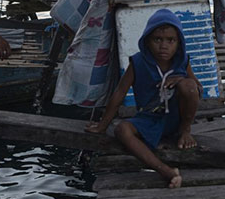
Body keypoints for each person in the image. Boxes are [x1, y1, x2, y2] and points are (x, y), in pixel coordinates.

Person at [85, 9, 201, 188]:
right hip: (149, 119)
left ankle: (185, 132)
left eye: (171, 40)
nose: (164, 46)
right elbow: (119, 93)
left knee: (189, 86)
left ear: (179, 43)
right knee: (122, 130)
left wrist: (181, 79)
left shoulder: (182, 62)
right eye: (158, 40)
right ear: (147, 41)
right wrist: (103, 125)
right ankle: (165, 171)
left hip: (176, 121)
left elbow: (197, 89)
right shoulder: (138, 63)